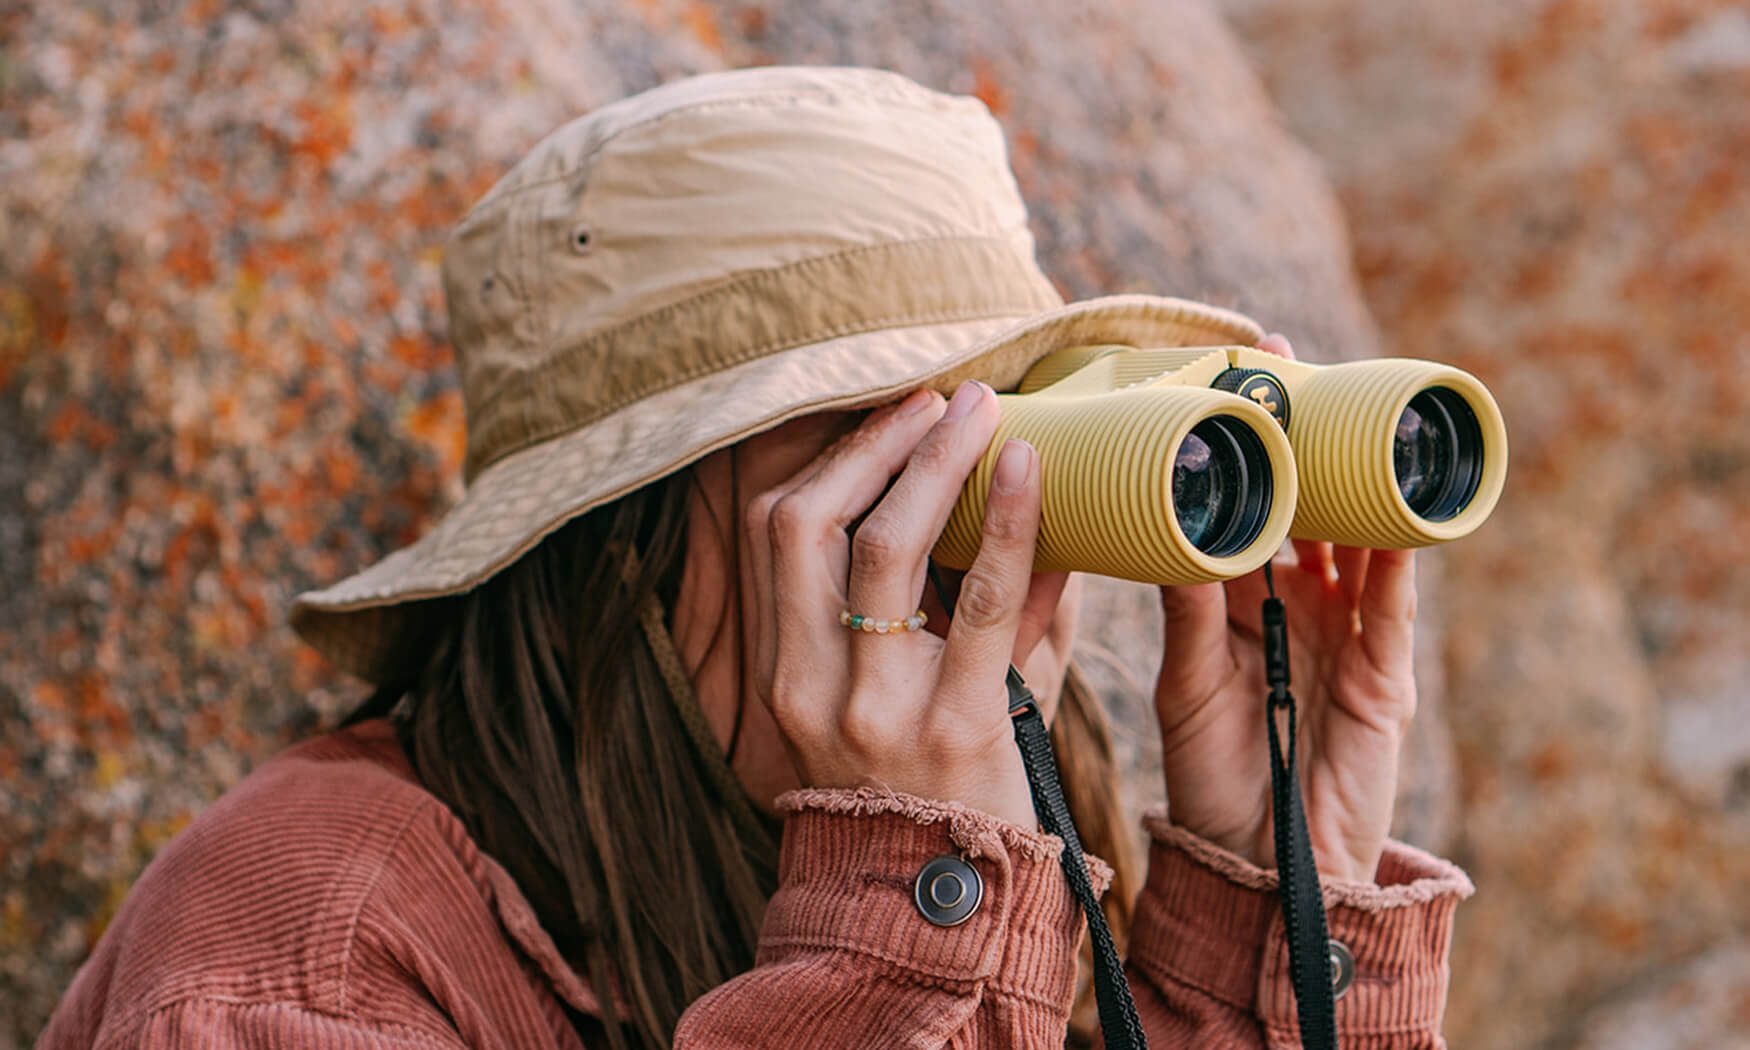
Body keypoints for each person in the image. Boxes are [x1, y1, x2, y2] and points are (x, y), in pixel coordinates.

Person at [37, 66, 1471, 1050]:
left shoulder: (773, 824)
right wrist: (903, 926)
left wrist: (1270, 896)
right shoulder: (306, 952)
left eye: (991, 448)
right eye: (875, 455)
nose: (955, 535)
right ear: (625, 531)